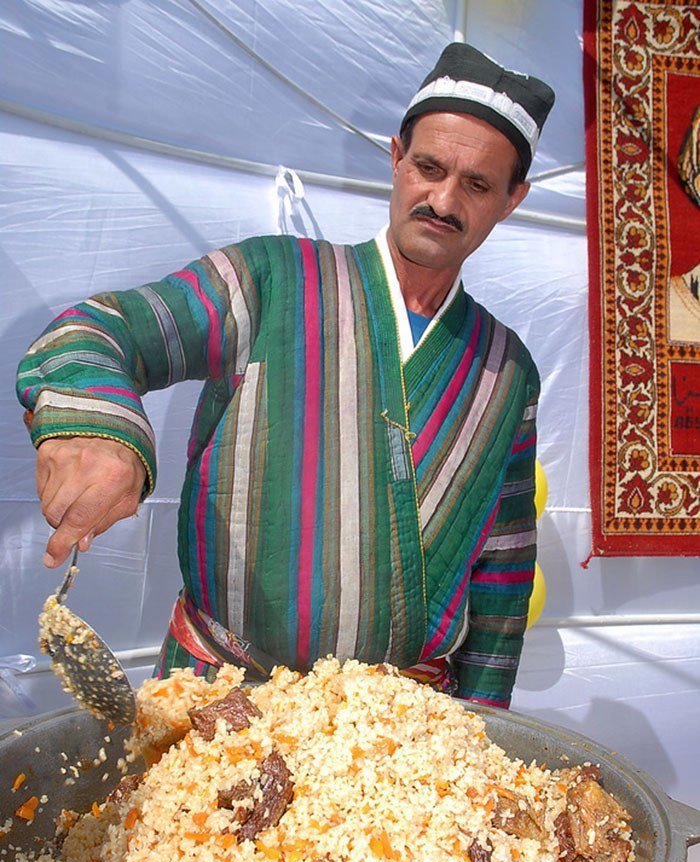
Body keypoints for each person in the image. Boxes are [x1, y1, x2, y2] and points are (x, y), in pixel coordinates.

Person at [16, 43, 555, 708]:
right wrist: (103, 427)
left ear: (512, 199)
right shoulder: (268, 280)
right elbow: (106, 329)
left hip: (398, 739)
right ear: (395, 156)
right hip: (223, 705)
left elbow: (502, 576)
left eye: (475, 184)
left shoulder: (507, 370)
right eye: (428, 167)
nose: (442, 200)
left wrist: (482, 729)